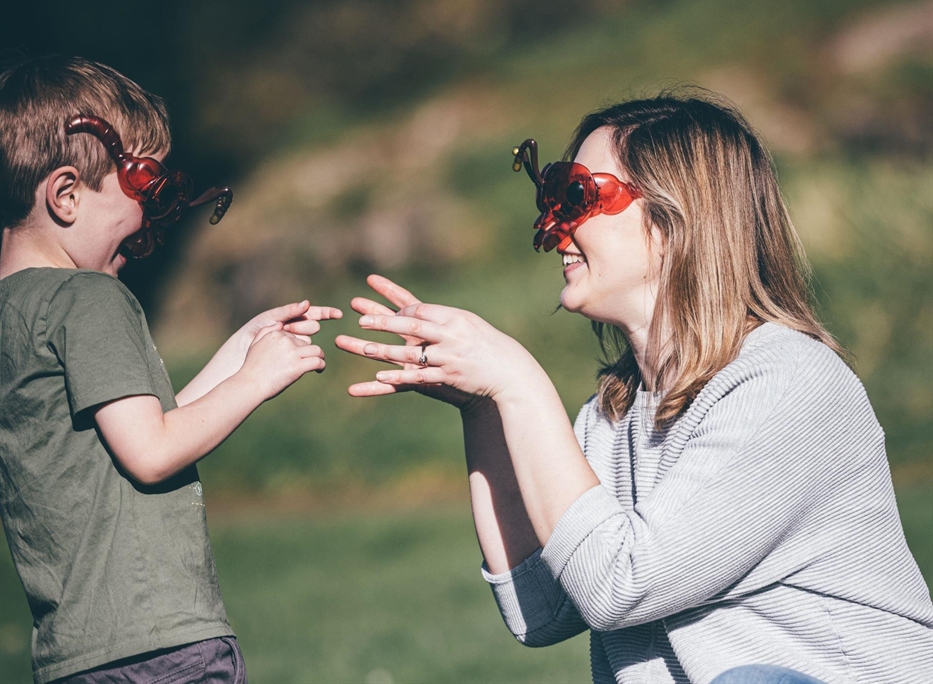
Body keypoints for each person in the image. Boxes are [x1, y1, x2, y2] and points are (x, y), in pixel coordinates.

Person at [336, 93, 933, 683]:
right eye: (550, 196)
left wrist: (520, 383)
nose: (553, 222)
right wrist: (484, 409)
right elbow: (539, 611)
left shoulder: (787, 385)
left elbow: (622, 586)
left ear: (675, 223)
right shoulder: (609, 417)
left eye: (576, 194)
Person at [0, 55, 341, 683]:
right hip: (157, 647)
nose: (150, 215)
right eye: (144, 187)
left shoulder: (16, 314)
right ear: (67, 194)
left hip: (76, 655)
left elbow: (136, 428)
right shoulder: (87, 298)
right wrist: (255, 381)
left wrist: (238, 350)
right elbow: (153, 452)